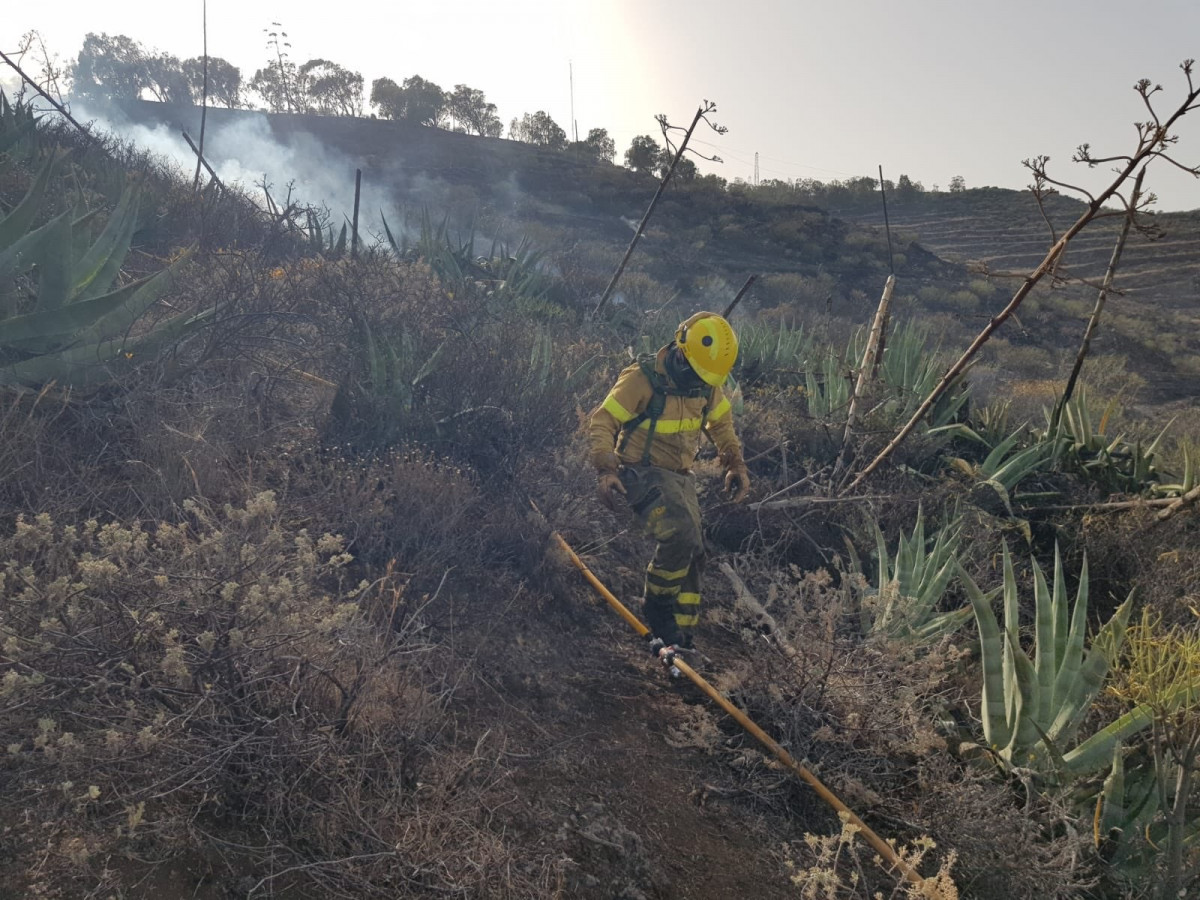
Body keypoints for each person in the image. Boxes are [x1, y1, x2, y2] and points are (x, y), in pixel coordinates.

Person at [587, 311, 750, 662]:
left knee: (695, 552)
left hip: (679, 477)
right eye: (695, 372)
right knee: (681, 536)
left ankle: (681, 637)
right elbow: (603, 421)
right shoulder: (641, 379)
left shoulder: (705, 382)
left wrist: (734, 462)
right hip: (640, 473)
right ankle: (657, 606)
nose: (699, 381)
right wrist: (605, 469)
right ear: (681, 353)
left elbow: (720, 423)